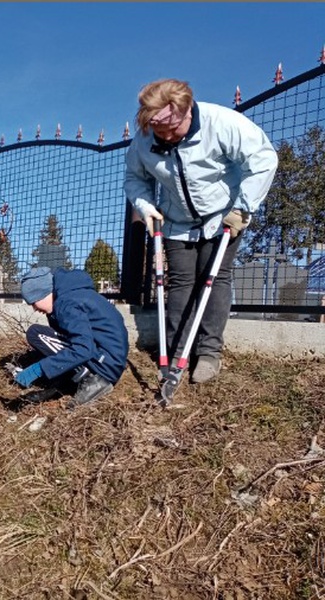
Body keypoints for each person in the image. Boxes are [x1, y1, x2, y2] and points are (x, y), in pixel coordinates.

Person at [124, 78, 278, 383]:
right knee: (180, 282)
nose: (167, 137)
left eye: (172, 128)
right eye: (160, 131)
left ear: (187, 111)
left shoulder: (221, 123)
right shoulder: (143, 140)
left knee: (216, 277)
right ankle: (178, 351)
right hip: (175, 220)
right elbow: (135, 178)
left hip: (224, 215)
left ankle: (209, 352)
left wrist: (243, 207)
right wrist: (146, 207)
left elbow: (263, 159)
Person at [12, 266, 129, 409]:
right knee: (39, 333)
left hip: (104, 366)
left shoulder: (66, 304)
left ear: (43, 293)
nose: (35, 309)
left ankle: (92, 379)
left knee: (37, 334)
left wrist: (39, 369)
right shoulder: (72, 295)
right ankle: (71, 376)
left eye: (33, 302)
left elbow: (83, 348)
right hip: (110, 358)